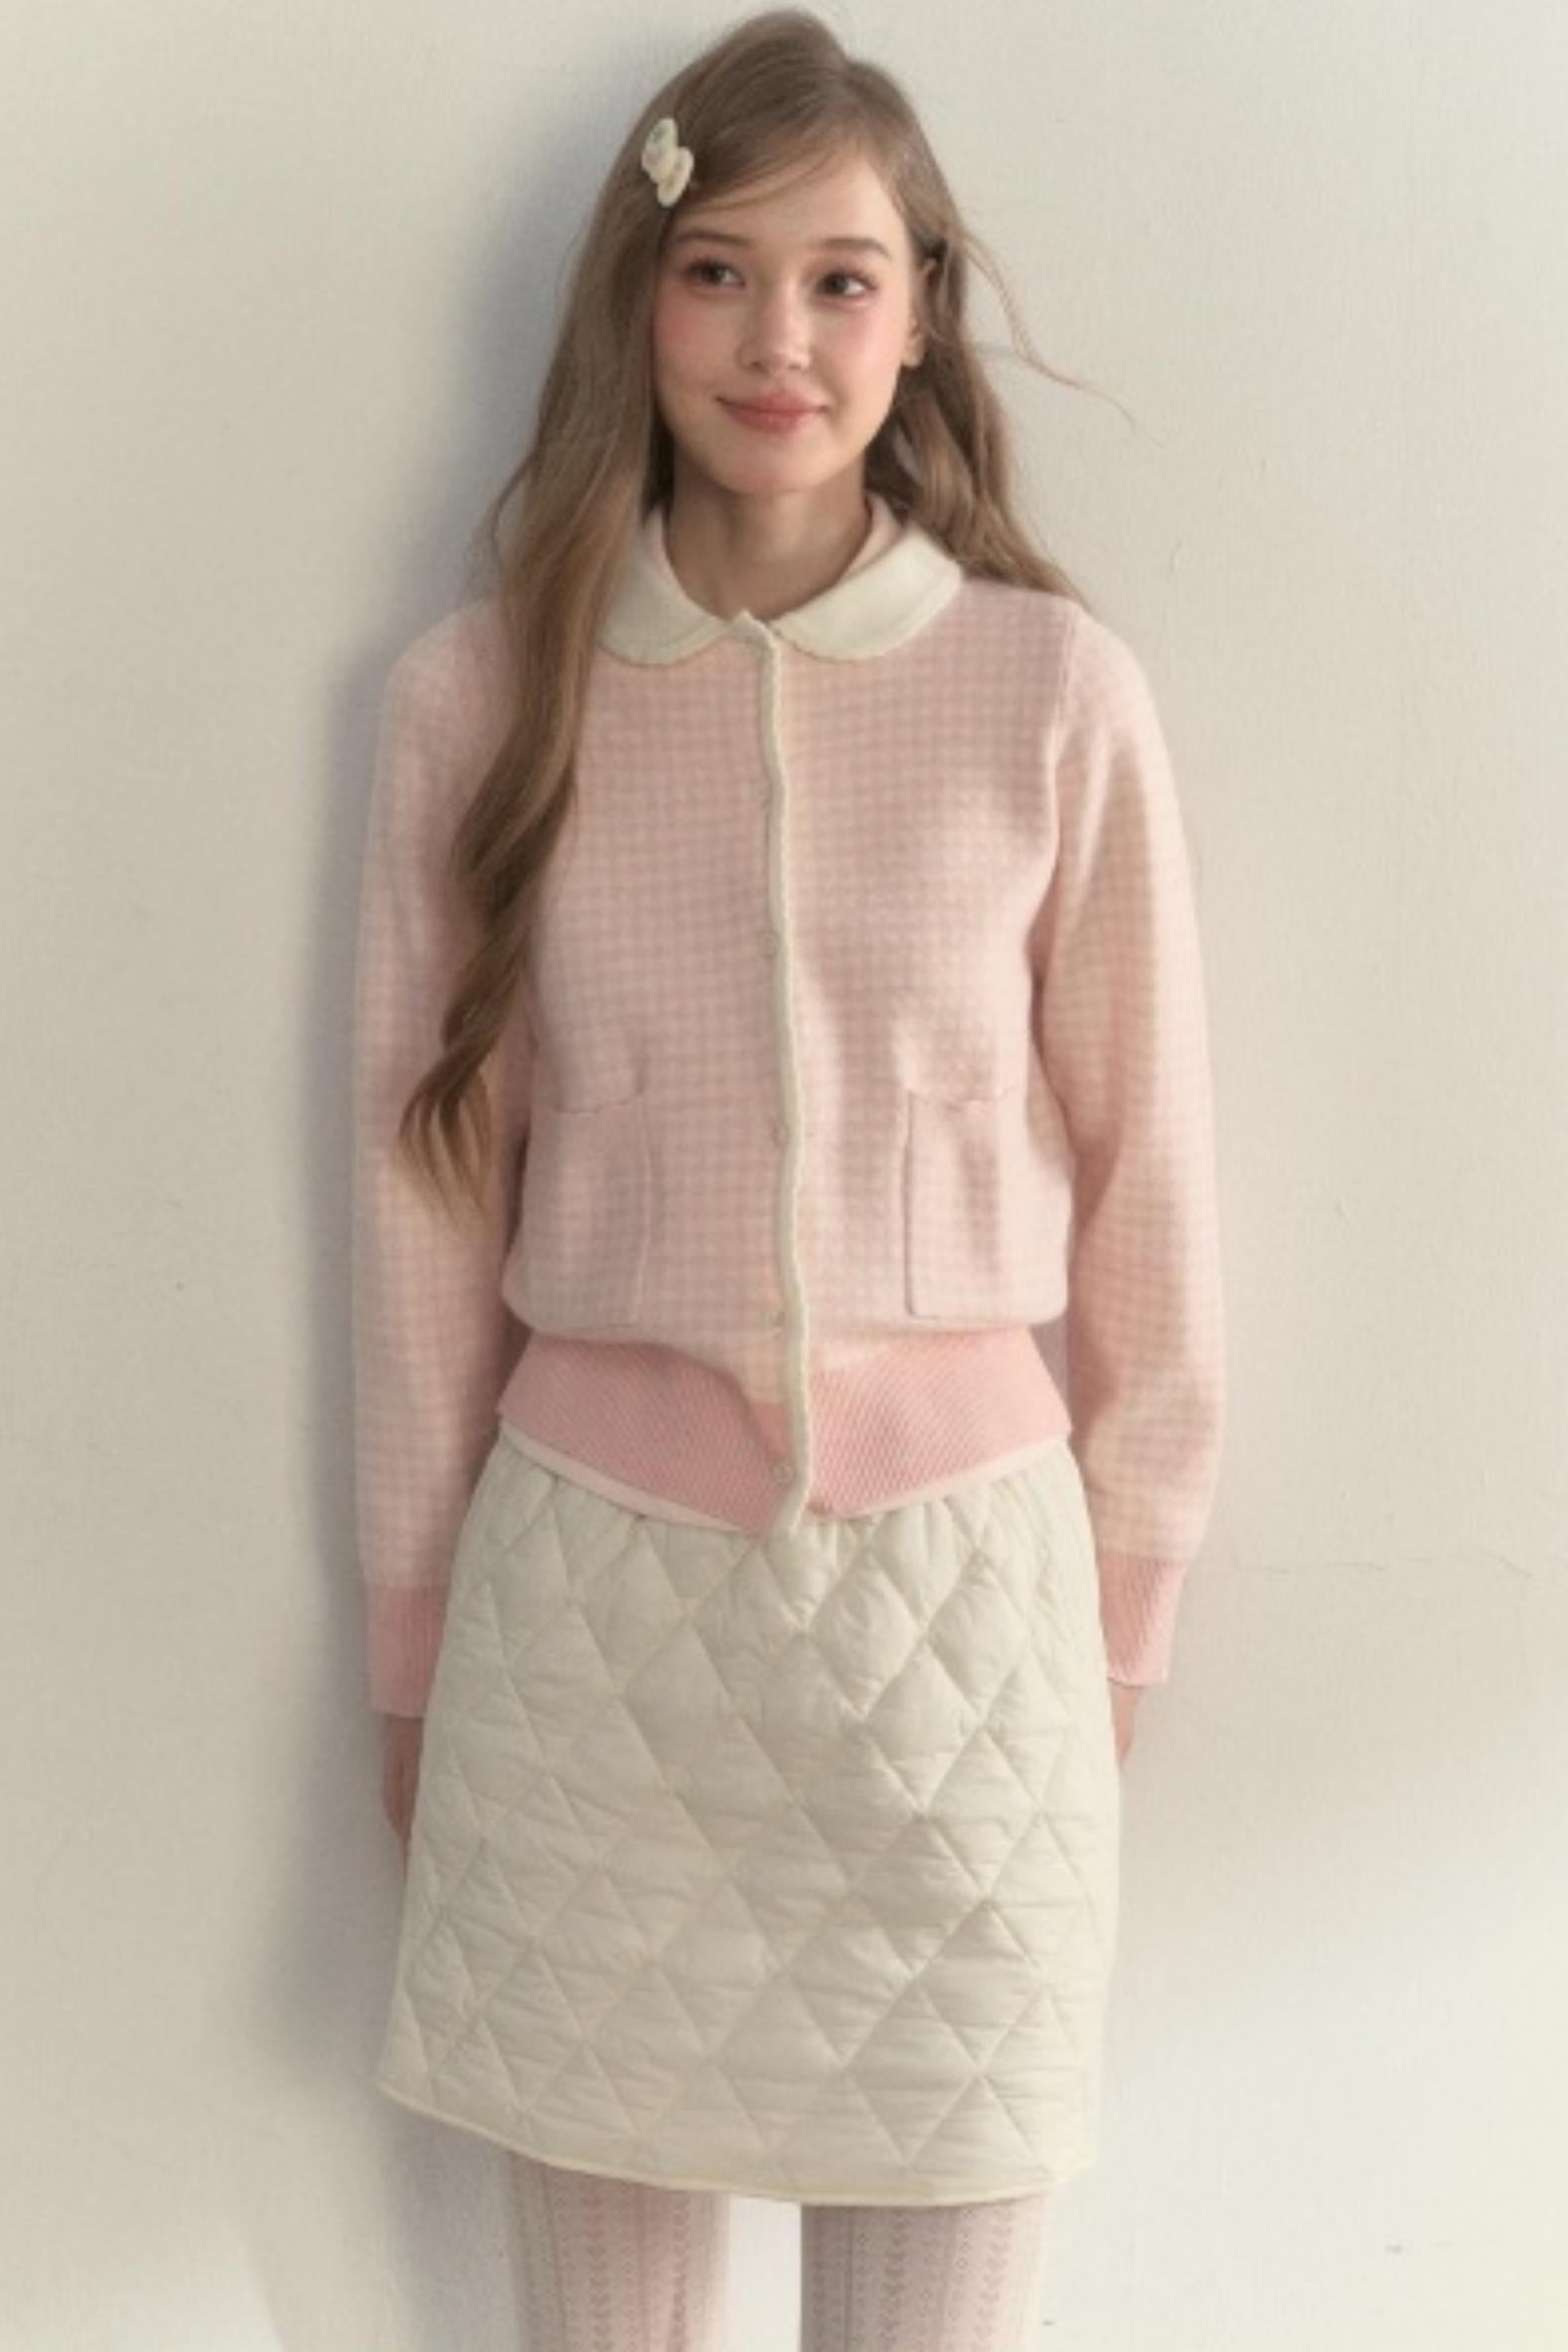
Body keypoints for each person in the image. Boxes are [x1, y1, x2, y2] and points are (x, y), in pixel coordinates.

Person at [350, 8, 1225, 2344]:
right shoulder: (480, 701)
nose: (778, 341)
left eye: (842, 279)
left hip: (969, 1631)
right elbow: (421, 1219)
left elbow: (1156, 1188)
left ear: (920, 312)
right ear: (635, 301)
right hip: (587, 1628)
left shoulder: (1051, 693)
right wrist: (412, 1651)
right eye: (717, 271)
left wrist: (1121, 1612)